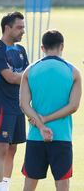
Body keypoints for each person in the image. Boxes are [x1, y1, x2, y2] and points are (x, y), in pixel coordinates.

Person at [20, 30, 81, 191]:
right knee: (62, 185)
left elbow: (24, 104)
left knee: (29, 185)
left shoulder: (29, 70)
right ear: (62, 46)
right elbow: (73, 106)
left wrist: (40, 125)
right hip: (62, 137)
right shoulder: (73, 72)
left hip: (36, 136)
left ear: (42, 47)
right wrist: (46, 119)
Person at [0, 11, 29, 191]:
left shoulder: (20, 50)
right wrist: (30, 77)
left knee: (13, 149)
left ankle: (6, 186)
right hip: (2, 106)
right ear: (7, 28)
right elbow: (10, 77)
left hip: (18, 106)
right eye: (19, 28)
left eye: (23, 27)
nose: (23, 31)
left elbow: (26, 78)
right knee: (2, 148)